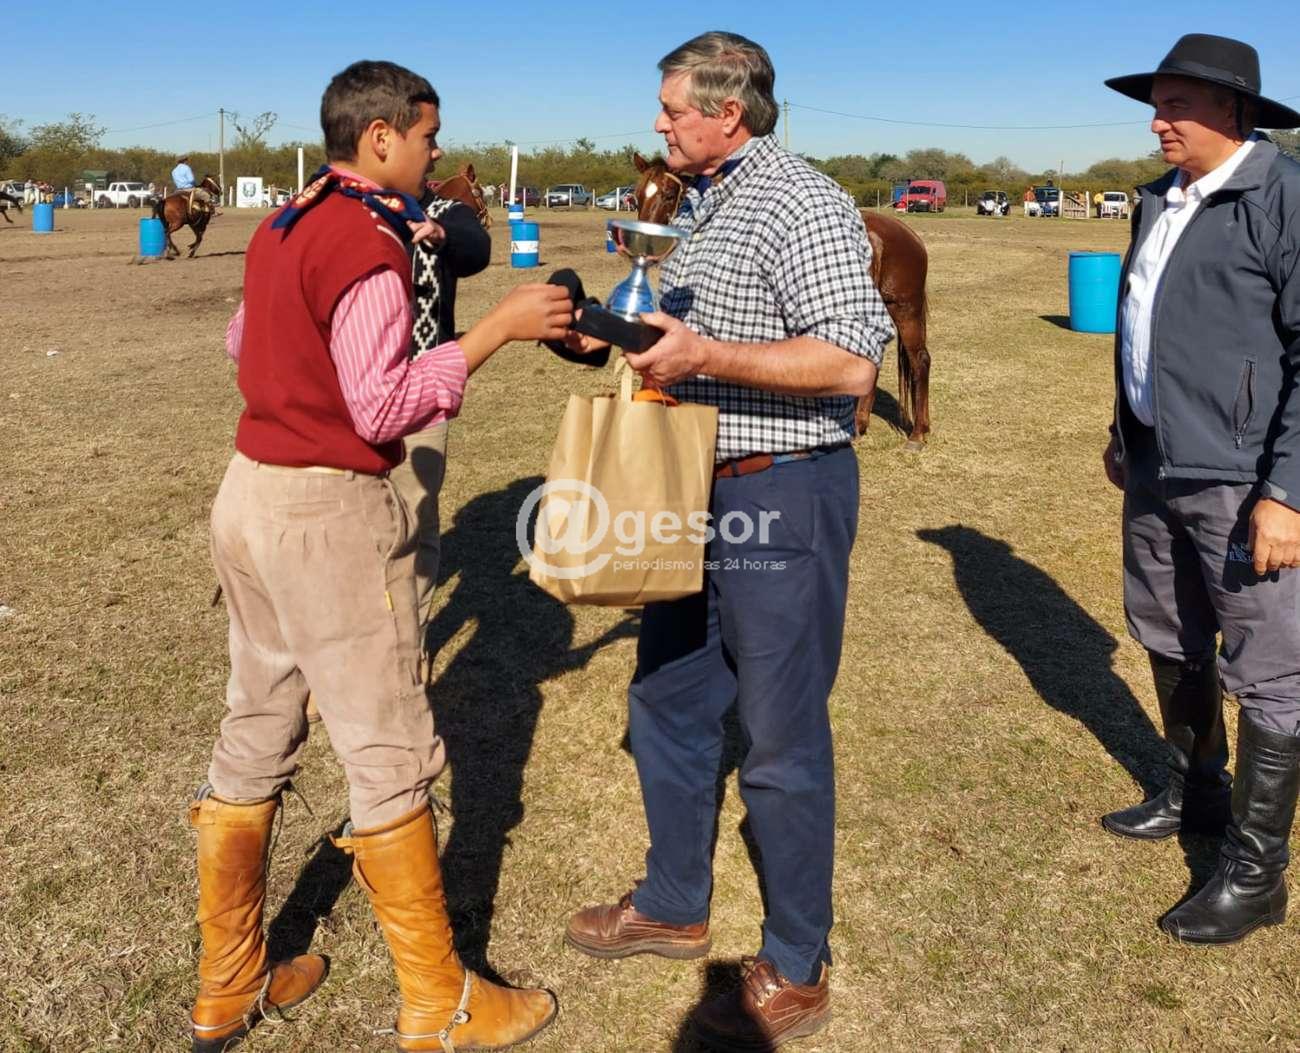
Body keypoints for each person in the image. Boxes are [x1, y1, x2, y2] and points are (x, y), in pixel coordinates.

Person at [189, 59, 574, 1052]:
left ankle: (227, 982)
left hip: (248, 494)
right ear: (381, 137)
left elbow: (240, 342)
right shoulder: (367, 242)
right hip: (325, 512)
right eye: (428, 138)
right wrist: (496, 330)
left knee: (256, 723)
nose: (436, 156)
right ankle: (441, 1004)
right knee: (388, 746)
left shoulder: (286, 222)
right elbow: (382, 406)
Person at [562, 31, 892, 1050]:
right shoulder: (698, 203)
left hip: (780, 491)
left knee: (780, 737)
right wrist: (609, 331)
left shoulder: (800, 199)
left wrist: (706, 353)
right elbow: (683, 338)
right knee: (665, 698)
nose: (657, 124)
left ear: (728, 113)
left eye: (672, 109)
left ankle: (797, 961)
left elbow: (850, 360)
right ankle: (672, 902)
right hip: (686, 490)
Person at [1101, 33, 1300, 945]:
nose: (1158, 122)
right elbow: (1143, 324)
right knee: (1167, 630)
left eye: (1177, 104)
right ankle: (1196, 795)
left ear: (1235, 110)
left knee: (1270, 670)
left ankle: (1256, 875)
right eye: (1157, 105)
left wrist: (1287, 491)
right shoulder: (1158, 199)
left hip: (1245, 478)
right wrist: (1125, 428)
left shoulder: (1283, 197)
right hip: (1156, 462)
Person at [394, 177, 492, 662]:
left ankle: (408, 652)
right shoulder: (350, 203)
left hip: (421, 389)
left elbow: (476, 248)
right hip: (349, 393)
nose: (434, 154)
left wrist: (441, 234)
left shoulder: (448, 210)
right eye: (426, 142)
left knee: (414, 520)